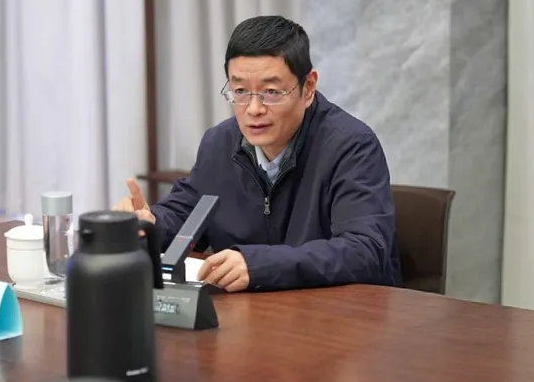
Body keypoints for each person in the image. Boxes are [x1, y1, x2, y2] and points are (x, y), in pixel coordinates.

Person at [114, 15, 400, 292]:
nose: (253, 109)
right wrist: (150, 225)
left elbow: (365, 251)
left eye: (271, 92)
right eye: (240, 91)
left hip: (337, 313)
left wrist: (258, 265)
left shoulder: (351, 145)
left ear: (308, 87)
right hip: (253, 311)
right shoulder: (219, 143)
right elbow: (187, 215)